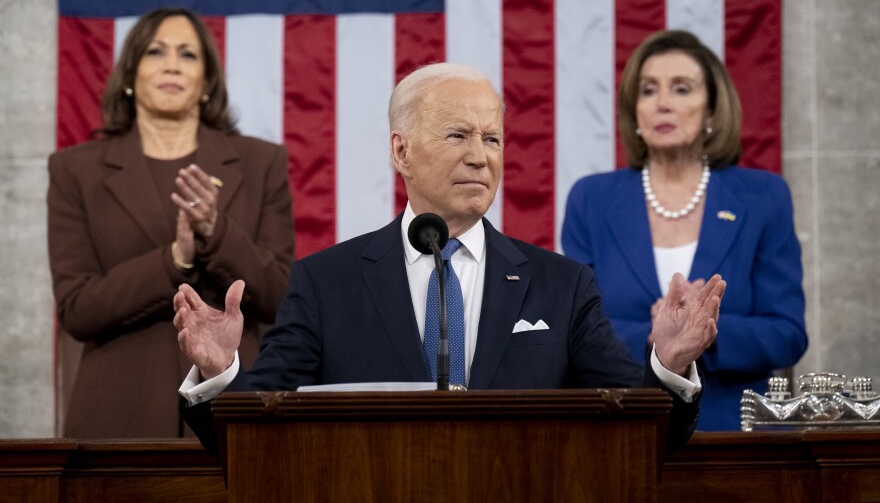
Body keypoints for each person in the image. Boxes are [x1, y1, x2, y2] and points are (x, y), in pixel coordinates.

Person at [174, 62, 725, 455]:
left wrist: (669, 366)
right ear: (401, 151)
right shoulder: (326, 283)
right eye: (458, 134)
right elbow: (252, 432)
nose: (480, 157)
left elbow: (636, 428)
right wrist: (220, 372)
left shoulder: (563, 285)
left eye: (493, 139)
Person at [48, 7, 295, 438]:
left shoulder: (261, 163)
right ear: (130, 74)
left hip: (237, 411)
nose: (171, 65)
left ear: (207, 81)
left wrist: (216, 233)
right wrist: (174, 260)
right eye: (155, 52)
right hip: (120, 415)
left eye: (188, 55)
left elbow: (280, 297)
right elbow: (77, 310)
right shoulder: (76, 171)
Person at [561, 30, 808, 431]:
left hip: (735, 435)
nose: (662, 104)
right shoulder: (592, 199)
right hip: (621, 428)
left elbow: (788, 333)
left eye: (681, 89)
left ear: (711, 110)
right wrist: (660, 335)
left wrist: (701, 330)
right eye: (648, 90)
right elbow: (575, 332)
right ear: (634, 111)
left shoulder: (764, 197)